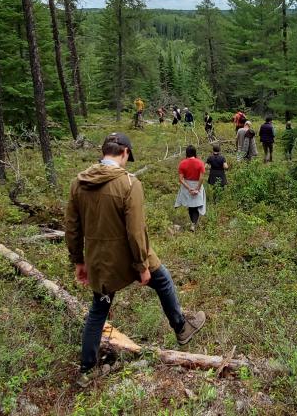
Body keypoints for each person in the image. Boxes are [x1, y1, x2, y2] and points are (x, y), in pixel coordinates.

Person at [66, 133, 206, 387]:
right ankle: (181, 327)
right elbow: (135, 231)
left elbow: (72, 228)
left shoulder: (79, 182)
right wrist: (141, 266)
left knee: (98, 309)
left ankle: (86, 369)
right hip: (129, 258)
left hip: (99, 261)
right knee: (162, 280)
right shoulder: (129, 184)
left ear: (104, 151)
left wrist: (79, 260)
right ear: (125, 153)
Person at [174, 145, 206, 231]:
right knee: (195, 206)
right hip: (197, 185)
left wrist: (189, 188)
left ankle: (193, 223)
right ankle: (193, 224)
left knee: (190, 206)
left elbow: (180, 179)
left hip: (186, 186)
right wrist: (197, 188)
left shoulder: (182, 163)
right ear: (195, 153)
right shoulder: (200, 163)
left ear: (186, 153)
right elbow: (201, 178)